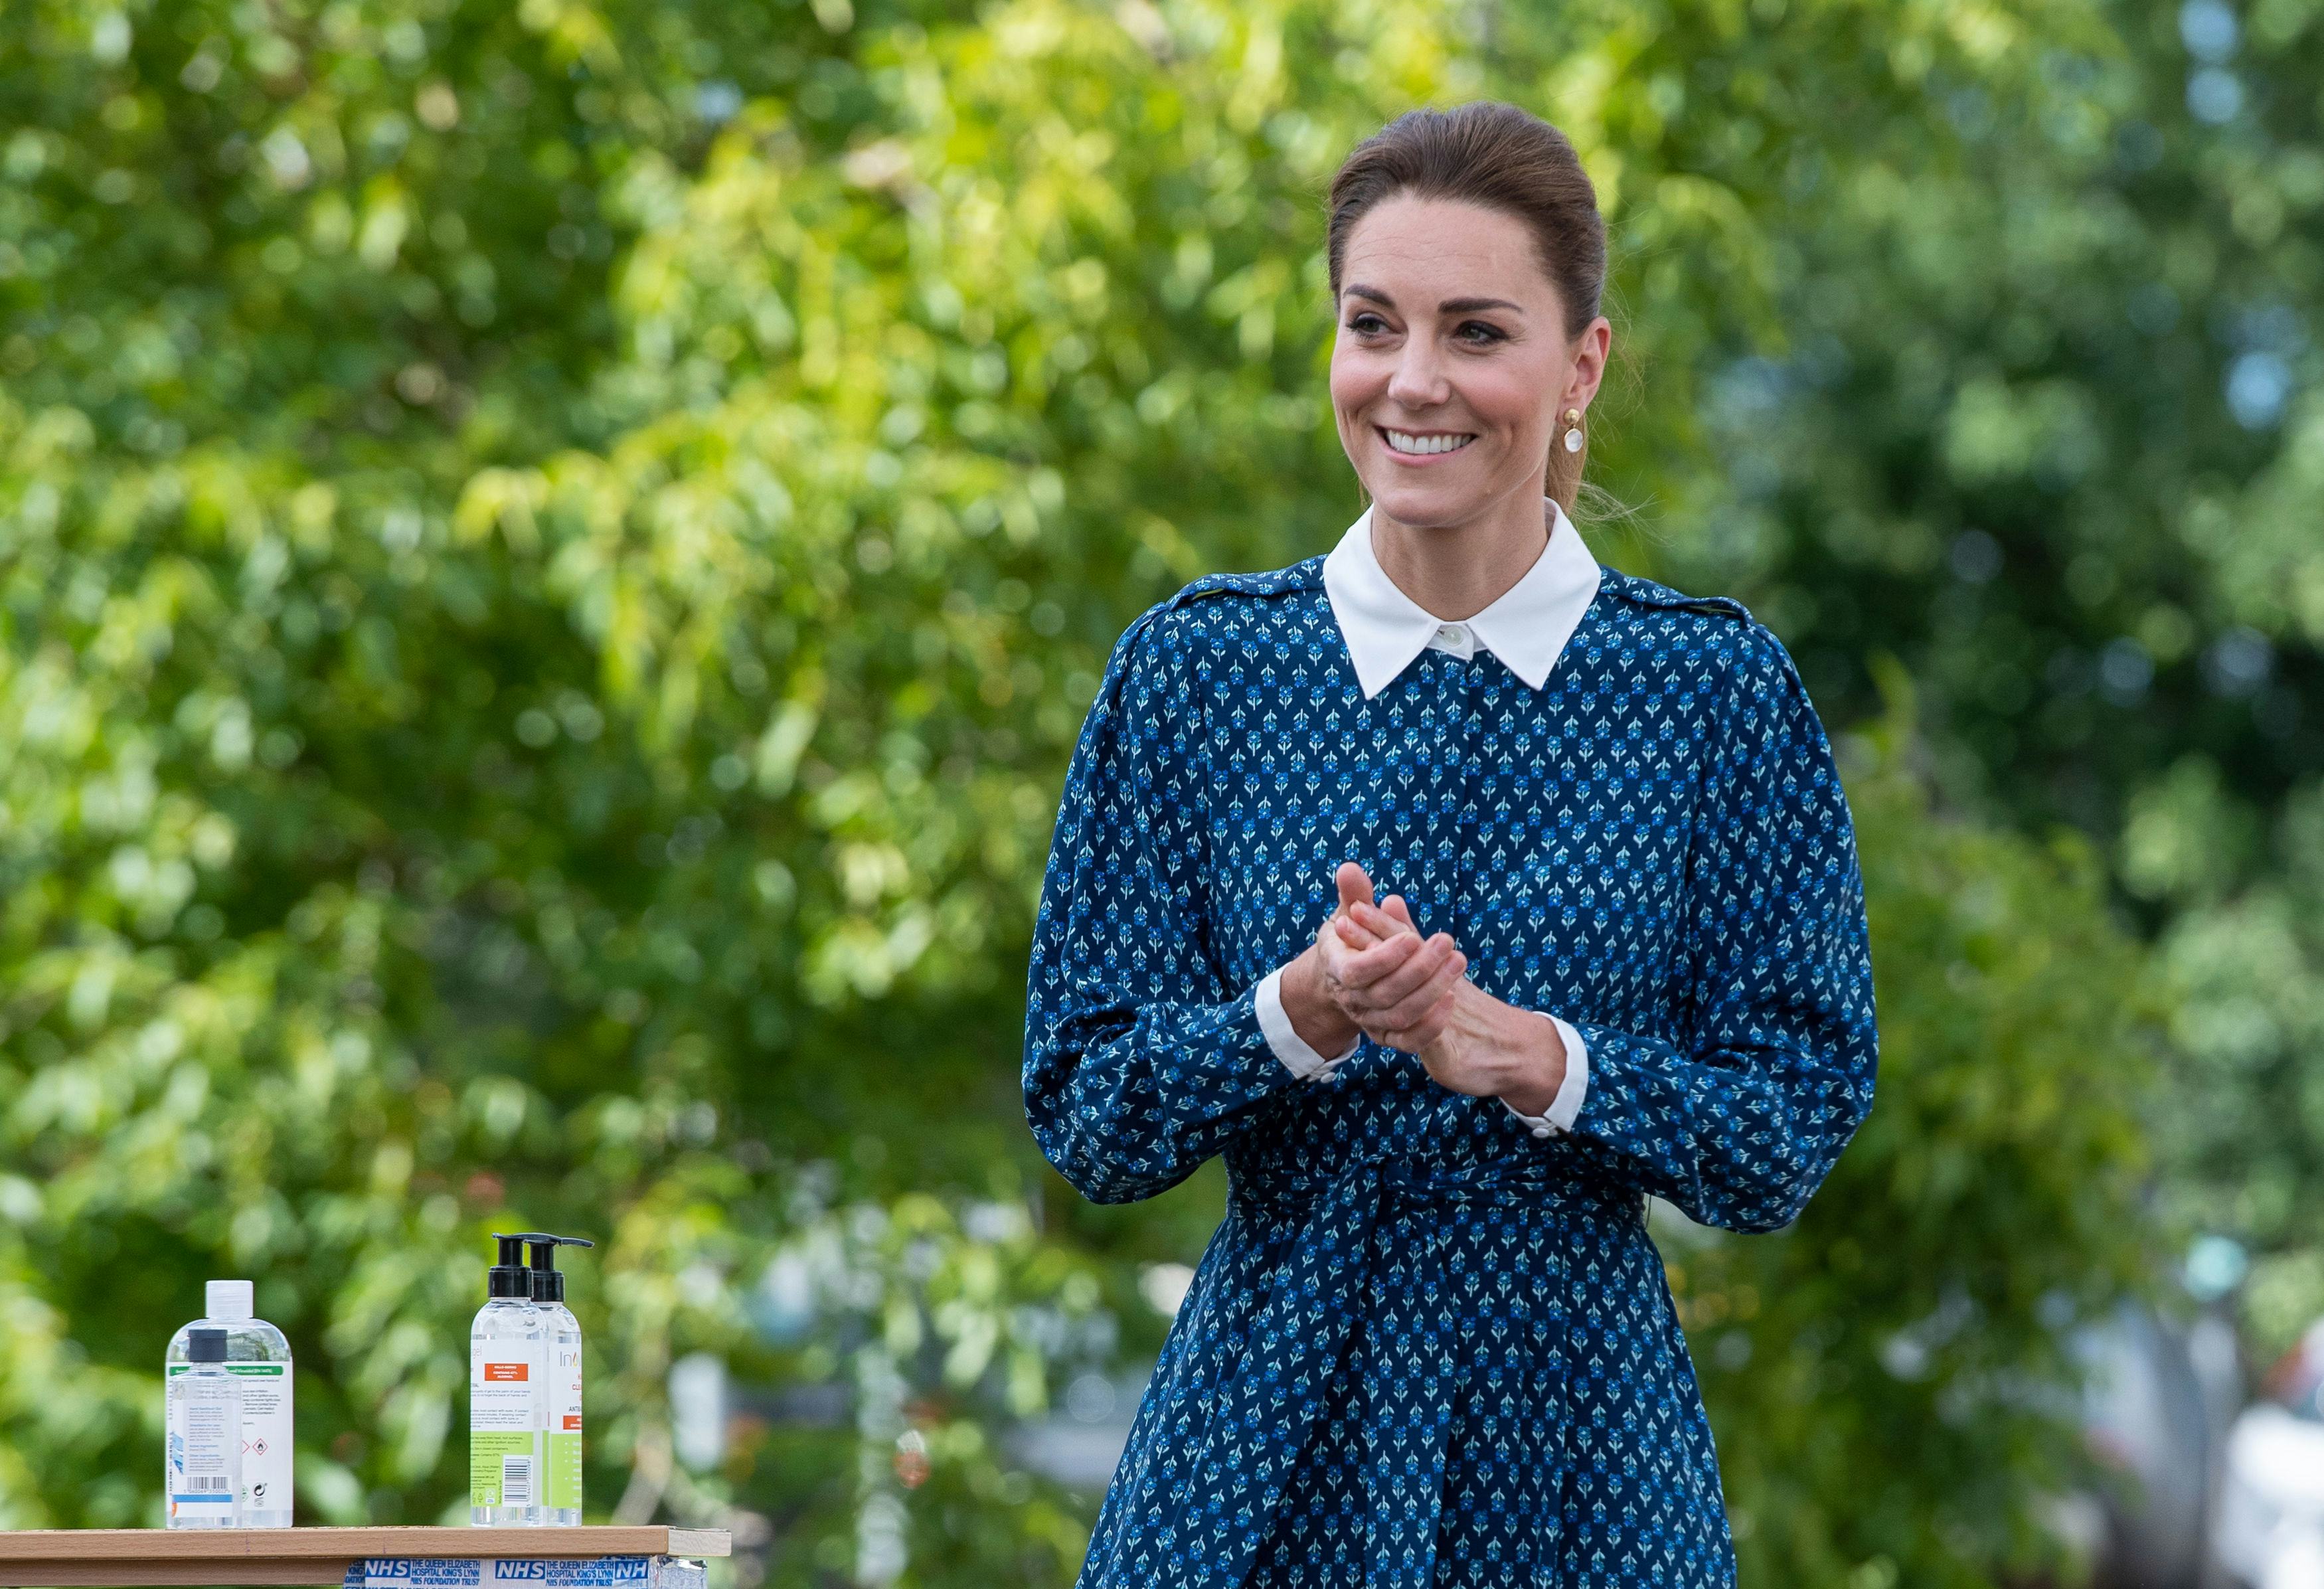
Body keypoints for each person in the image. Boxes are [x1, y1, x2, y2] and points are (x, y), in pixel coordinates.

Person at [1021, 100, 1877, 1589]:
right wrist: (1295, 1014)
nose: (1412, 381)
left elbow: (1789, 1126)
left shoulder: (1711, 694)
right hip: (1253, 1467)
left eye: (1475, 332)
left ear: (1580, 365)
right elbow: (1088, 1109)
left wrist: (1535, 1058)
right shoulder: (1198, 673)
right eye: (1373, 325)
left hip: (1585, 1478)